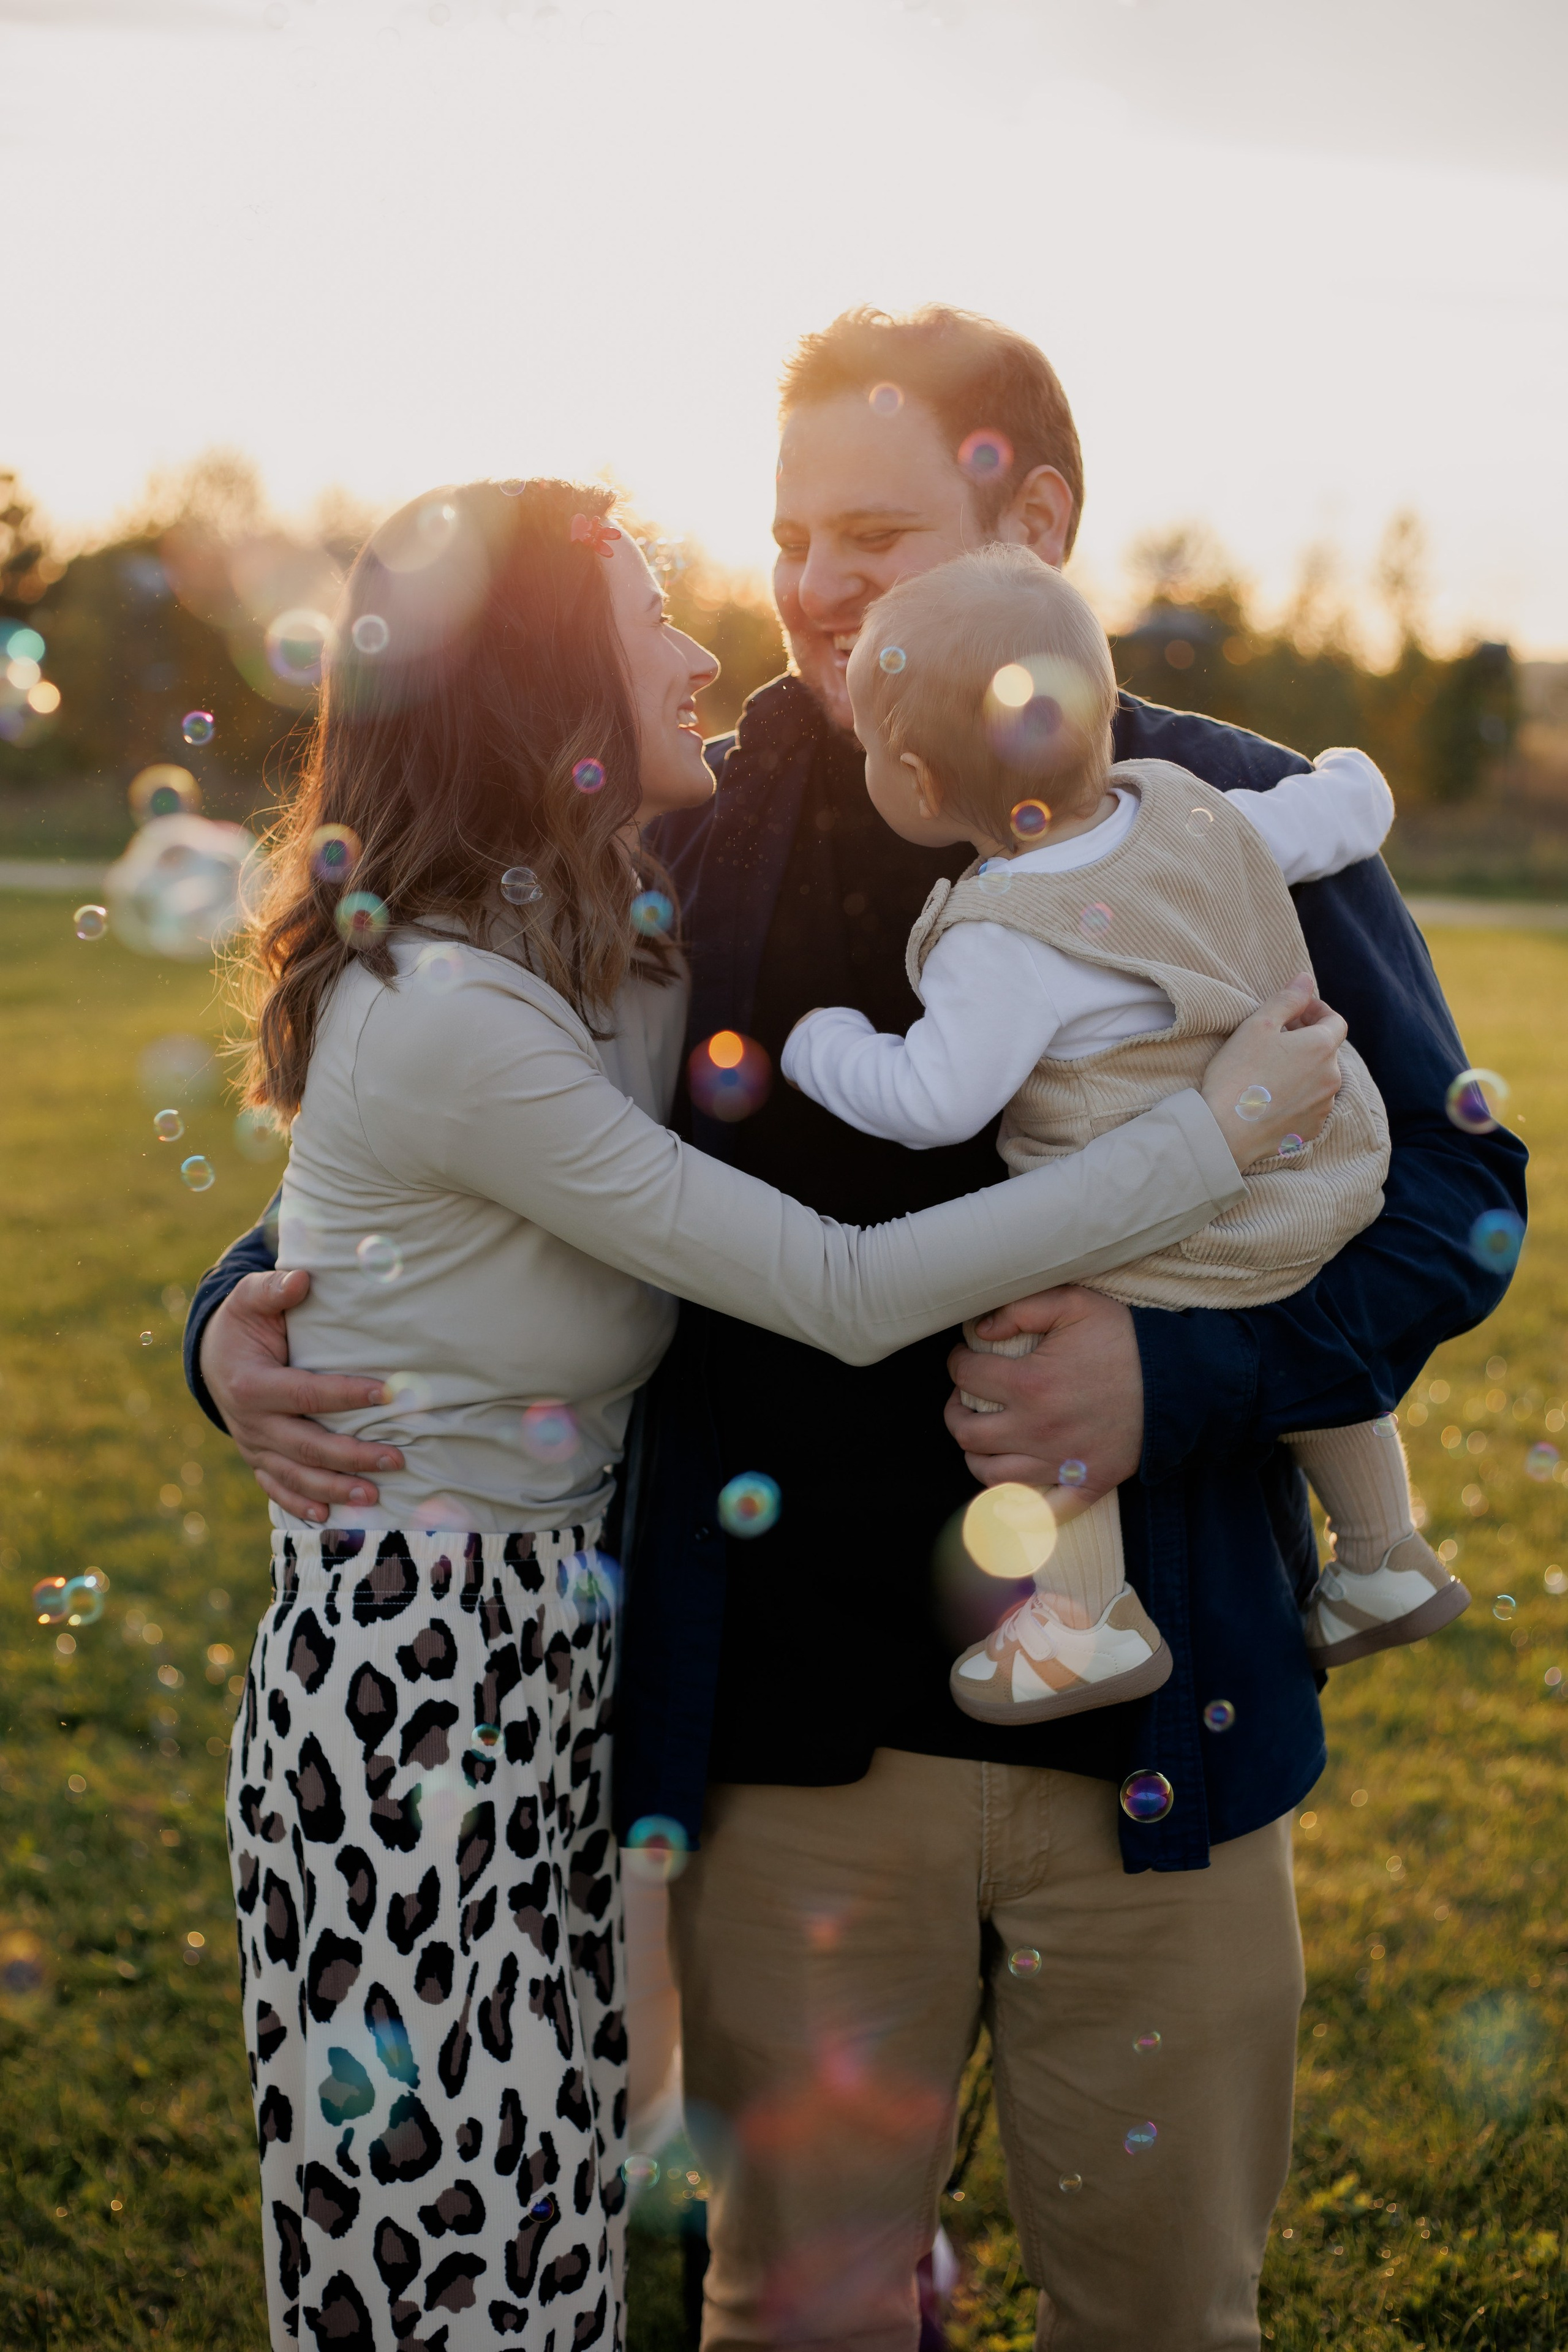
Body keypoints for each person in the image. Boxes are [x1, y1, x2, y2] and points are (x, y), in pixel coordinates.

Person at [186, 309, 1526, 2352]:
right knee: (794, 2313)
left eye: (874, 533)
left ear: (1040, 517)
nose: (813, 588)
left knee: (1169, 2317)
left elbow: (1449, 1195)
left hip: (1152, 1744)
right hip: (801, 1754)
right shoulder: (684, 845)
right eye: (790, 534)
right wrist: (230, 1323)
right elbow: (438, 1128)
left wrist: (1171, 1383)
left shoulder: (1215, 813)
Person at [783, 545, 1471, 1725]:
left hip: (1153, 1226)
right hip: (1312, 1174)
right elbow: (1341, 815)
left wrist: (822, 1045)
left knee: (1022, 1347)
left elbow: (935, 1101)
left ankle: (1082, 1625)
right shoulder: (1196, 813)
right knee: (1286, 1286)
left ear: (911, 776)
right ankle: (1381, 1556)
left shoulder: (1001, 934)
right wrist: (1358, 771)